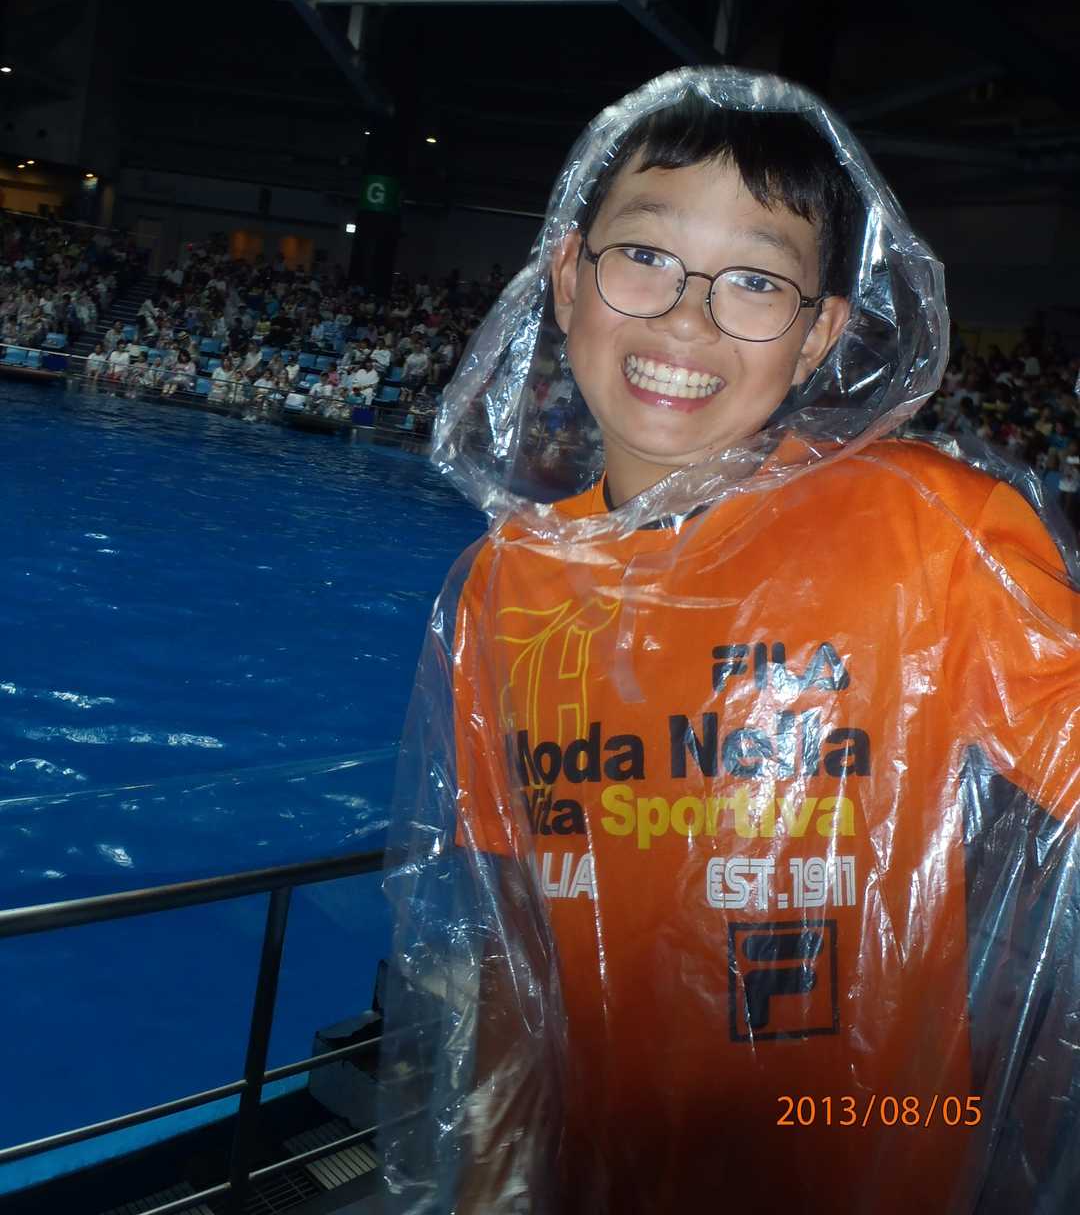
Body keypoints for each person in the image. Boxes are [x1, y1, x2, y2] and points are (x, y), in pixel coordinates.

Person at [380, 69, 1080, 1215]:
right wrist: (491, 1186)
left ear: (818, 337)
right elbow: (522, 947)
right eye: (645, 255)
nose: (687, 319)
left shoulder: (937, 535)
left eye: (755, 280)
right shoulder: (509, 586)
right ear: (568, 276)